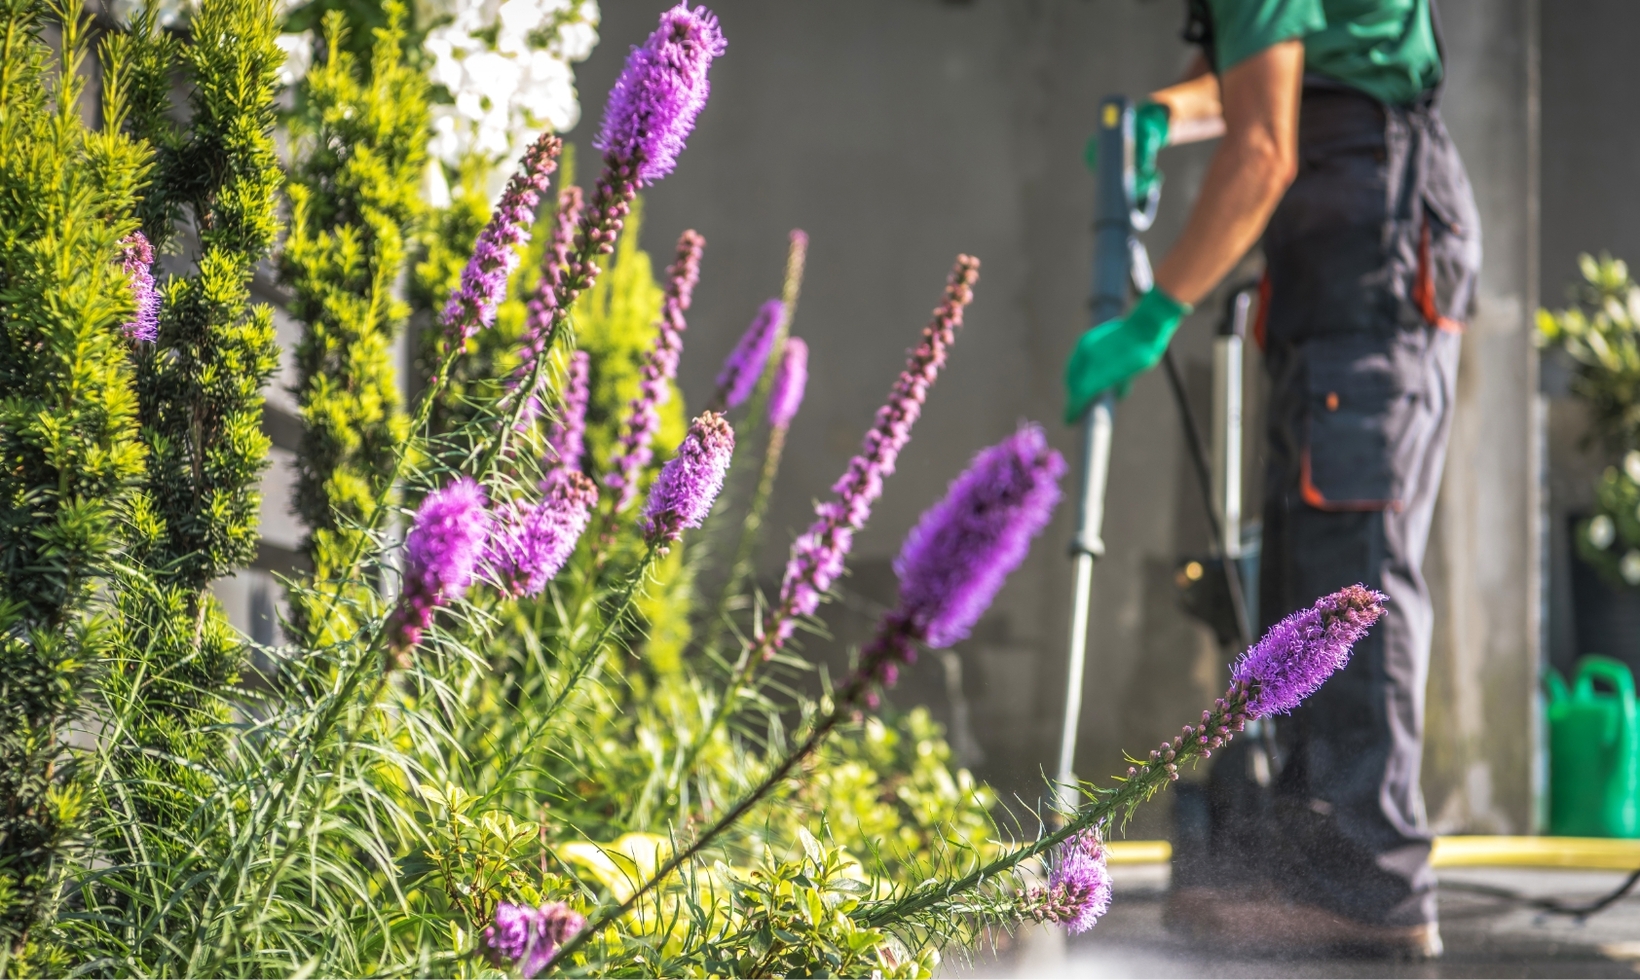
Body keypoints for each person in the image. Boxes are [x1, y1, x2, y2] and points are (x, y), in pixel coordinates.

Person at [1062, 0, 1480, 958]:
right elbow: (1278, 71)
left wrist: (1154, 313)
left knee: (1351, 554)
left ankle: (1373, 881)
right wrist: (1170, 112)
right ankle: (1306, 854)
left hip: (1371, 236)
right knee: (1300, 547)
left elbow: (1263, 152)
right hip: (1333, 250)